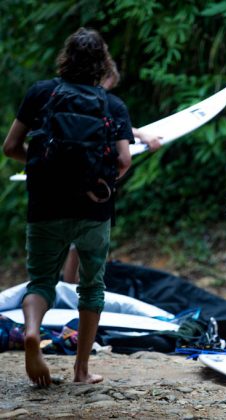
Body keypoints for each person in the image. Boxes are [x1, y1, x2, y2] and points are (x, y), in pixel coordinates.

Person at [2, 28, 134, 386]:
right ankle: (81, 371)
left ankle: (32, 333)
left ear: (66, 57)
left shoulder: (41, 93)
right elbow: (123, 159)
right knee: (91, 287)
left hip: (45, 205)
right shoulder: (112, 105)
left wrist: (42, 162)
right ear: (102, 63)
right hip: (94, 210)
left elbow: (10, 146)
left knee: (42, 282)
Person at [62, 61, 162, 284]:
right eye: (107, 86)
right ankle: (79, 294)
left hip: (66, 182)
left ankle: (69, 290)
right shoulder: (97, 102)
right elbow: (123, 155)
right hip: (88, 184)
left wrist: (141, 135)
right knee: (89, 241)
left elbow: (117, 127)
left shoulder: (67, 98)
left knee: (74, 242)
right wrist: (108, 180)